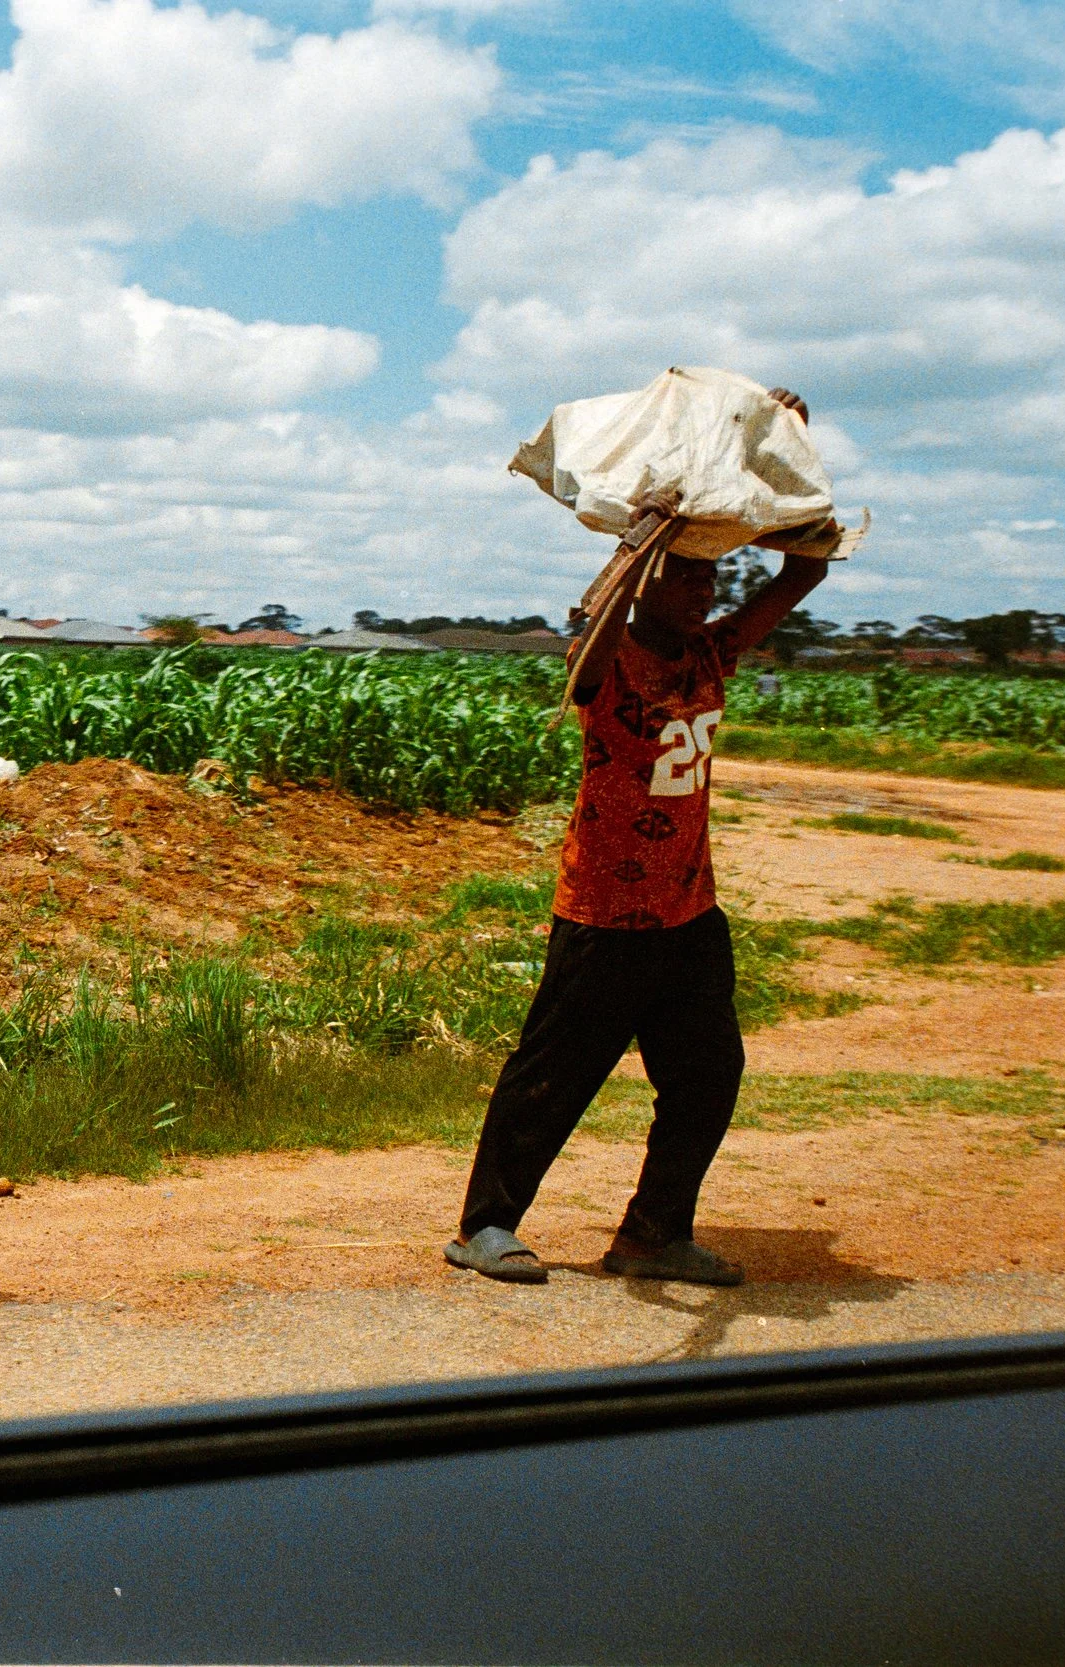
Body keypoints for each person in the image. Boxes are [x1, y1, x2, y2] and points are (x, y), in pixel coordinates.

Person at [445, 388, 843, 1288]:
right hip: (605, 911)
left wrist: (771, 449)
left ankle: (653, 1232)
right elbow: (594, 634)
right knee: (553, 1076)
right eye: (688, 574)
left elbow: (804, 573)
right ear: (648, 573)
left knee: (708, 1077)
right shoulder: (609, 658)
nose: (704, 589)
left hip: (687, 911)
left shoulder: (712, 652)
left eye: (710, 576)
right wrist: (647, 533)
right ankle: (486, 1225)